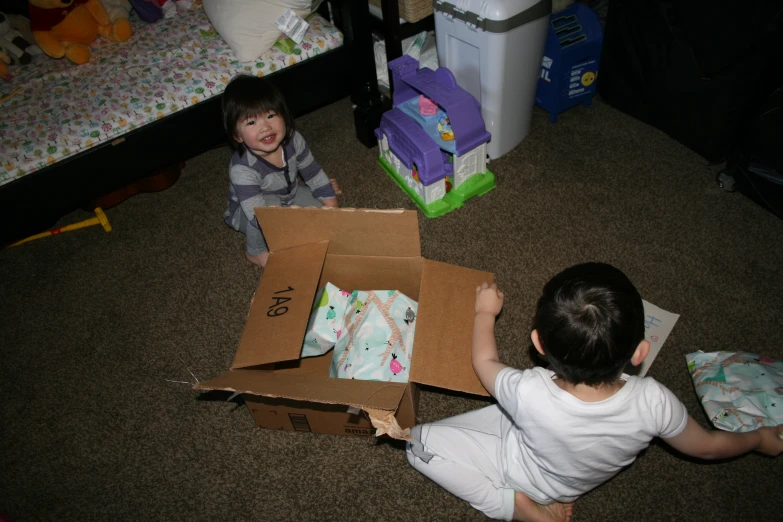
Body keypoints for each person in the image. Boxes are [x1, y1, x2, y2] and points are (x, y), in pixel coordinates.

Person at [406, 262, 783, 522]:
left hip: (523, 467)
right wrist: (759, 438)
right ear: (639, 352)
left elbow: (483, 360)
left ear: (538, 343)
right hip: (574, 476)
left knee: (417, 444)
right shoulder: (656, 402)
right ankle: (554, 493)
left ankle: (516, 507)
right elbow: (708, 447)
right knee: (504, 420)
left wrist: (484, 313)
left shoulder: (528, 390)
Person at [221, 74, 341, 267]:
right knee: (266, 212)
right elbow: (258, 216)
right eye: (251, 122)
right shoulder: (242, 168)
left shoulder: (294, 139)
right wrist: (295, 228)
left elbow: (313, 172)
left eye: (270, 116)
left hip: (289, 194)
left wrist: (331, 207)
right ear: (237, 136)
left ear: (283, 116)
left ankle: (294, 209)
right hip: (250, 213)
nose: (265, 127)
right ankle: (255, 252)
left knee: (323, 213)